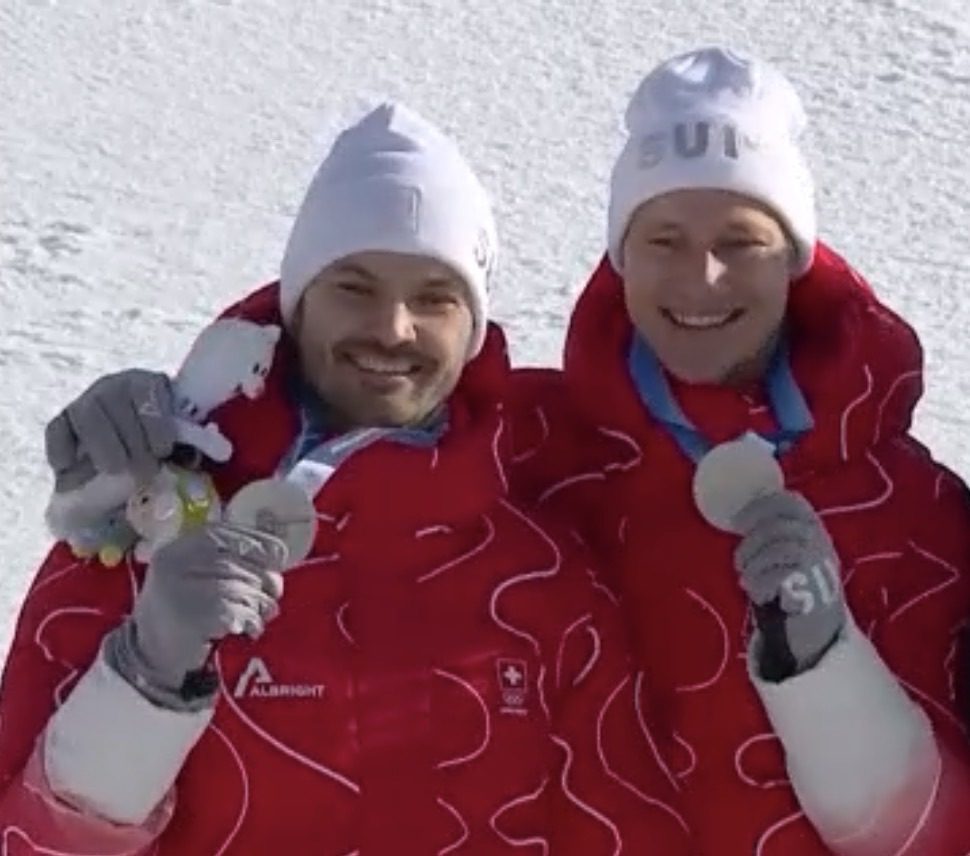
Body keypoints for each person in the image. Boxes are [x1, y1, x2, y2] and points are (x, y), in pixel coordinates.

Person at [0, 104, 690, 854]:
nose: (394, 328)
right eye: (354, 287)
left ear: (476, 327)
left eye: (435, 297)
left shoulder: (543, 583)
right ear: (298, 305)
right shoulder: (147, 526)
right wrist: (145, 678)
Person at [510, 47, 970, 854]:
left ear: (794, 259)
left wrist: (828, 666)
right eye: (663, 239)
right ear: (620, 257)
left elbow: (938, 835)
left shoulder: (914, 507)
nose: (703, 276)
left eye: (741, 239)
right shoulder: (531, 454)